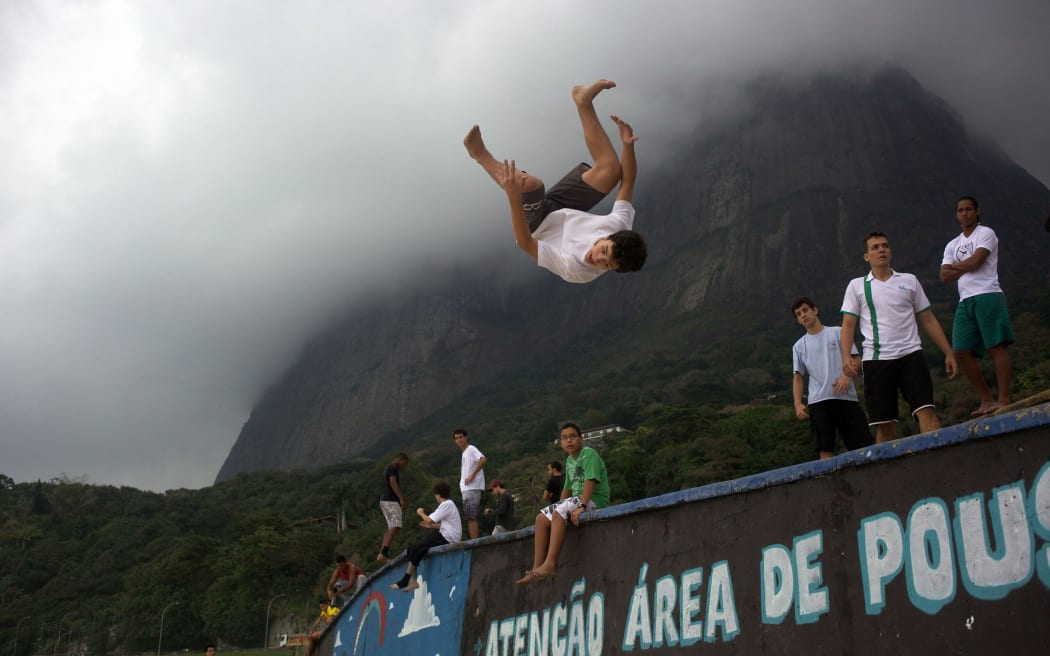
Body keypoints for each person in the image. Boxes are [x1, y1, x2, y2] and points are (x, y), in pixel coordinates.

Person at [464, 80, 647, 283]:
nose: (598, 258)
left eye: (607, 264)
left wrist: (513, 197)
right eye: (604, 250)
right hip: (562, 210)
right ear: (608, 237)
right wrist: (627, 146)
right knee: (611, 171)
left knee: (530, 185)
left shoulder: (575, 269)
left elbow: (525, 243)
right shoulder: (619, 225)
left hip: (536, 226)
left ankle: (479, 154)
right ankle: (583, 101)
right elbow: (628, 181)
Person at [840, 232, 958, 444]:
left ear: (890, 251)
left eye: (884, 246)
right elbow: (848, 324)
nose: (881, 250)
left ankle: (940, 465)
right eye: (875, 247)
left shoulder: (909, 281)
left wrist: (948, 352)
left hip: (911, 355)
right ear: (866, 257)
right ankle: (885, 474)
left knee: (927, 412)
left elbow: (928, 319)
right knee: (885, 426)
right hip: (877, 361)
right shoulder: (857, 286)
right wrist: (846, 357)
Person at [939, 196, 1015, 417]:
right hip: (966, 300)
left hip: (988, 294)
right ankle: (986, 399)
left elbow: (977, 262)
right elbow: (943, 275)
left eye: (968, 209)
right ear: (957, 214)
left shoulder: (986, 233)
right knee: (961, 350)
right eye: (960, 210)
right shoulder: (952, 244)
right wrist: (963, 266)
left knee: (996, 345)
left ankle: (1003, 399)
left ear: (977, 211)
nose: (964, 213)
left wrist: (955, 266)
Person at [517, 422, 609, 585]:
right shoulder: (569, 460)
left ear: (581, 439)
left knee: (559, 514)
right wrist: (558, 505)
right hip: (578, 499)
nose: (569, 441)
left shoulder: (588, 454)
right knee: (541, 519)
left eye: (573, 436)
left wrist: (581, 506)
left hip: (593, 499)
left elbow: (590, 481)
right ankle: (537, 567)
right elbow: (567, 488)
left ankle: (551, 564)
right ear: (561, 442)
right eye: (565, 438)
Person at [791, 296, 873, 459]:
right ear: (798, 321)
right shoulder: (799, 346)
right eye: (799, 314)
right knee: (825, 449)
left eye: (805, 310)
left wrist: (846, 376)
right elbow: (798, 376)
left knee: (862, 446)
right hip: (818, 402)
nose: (803, 315)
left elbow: (857, 360)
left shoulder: (837, 332)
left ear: (815, 310)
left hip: (846, 398)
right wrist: (797, 403)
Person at [390, 482, 462, 592]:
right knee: (413, 549)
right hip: (446, 534)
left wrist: (421, 513)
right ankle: (412, 581)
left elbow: (429, 519)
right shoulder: (449, 504)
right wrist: (431, 525)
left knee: (416, 548)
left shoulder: (446, 504)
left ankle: (406, 579)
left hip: (447, 537)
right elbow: (445, 524)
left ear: (437, 494)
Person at [454, 428, 487, 539]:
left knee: (471, 517)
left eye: (461, 437)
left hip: (472, 487)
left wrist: (472, 475)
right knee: (469, 517)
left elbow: (482, 460)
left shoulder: (471, 449)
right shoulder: (464, 453)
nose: (459, 440)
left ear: (466, 437)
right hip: (467, 488)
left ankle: (474, 542)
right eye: (456, 438)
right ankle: (474, 541)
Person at [377, 453, 408, 563]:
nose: (404, 466)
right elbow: (393, 482)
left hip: (384, 501)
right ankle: (384, 552)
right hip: (390, 500)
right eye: (405, 463)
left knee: (392, 527)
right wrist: (401, 498)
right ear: (400, 459)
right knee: (396, 525)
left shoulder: (388, 468)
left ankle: (382, 553)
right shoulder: (393, 467)